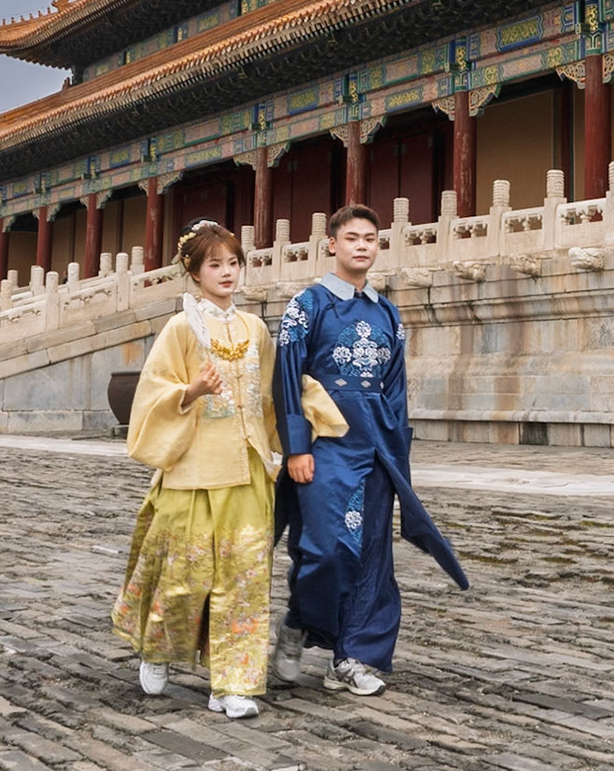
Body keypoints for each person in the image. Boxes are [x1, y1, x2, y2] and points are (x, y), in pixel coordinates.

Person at [112, 220, 346, 718]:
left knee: (244, 581)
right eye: (214, 265)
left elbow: (272, 392)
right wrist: (191, 391)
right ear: (193, 273)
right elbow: (153, 394)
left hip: (246, 470)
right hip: (193, 472)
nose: (226, 273)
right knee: (184, 576)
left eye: (233, 263)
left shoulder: (254, 329)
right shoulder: (180, 328)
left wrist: (313, 417)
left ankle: (233, 683)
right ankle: (158, 649)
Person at [272, 204, 468, 696]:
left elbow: (396, 390)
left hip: (378, 448)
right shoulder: (308, 305)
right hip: (325, 446)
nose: (362, 245)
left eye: (371, 239)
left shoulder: (388, 313)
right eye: (352, 237)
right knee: (327, 549)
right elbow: (287, 380)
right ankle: (298, 622)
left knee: (372, 556)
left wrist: (399, 457)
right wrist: (296, 448)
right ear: (331, 245)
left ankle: (353, 656)